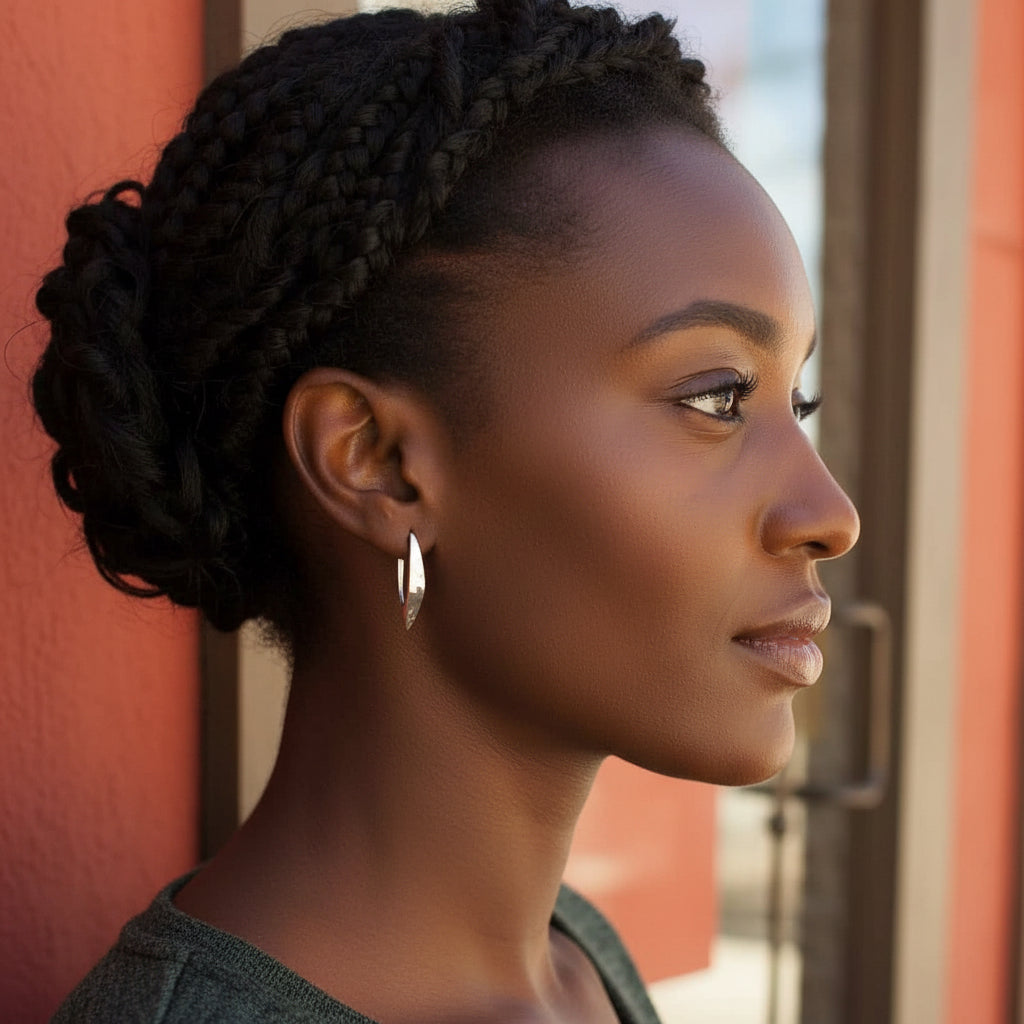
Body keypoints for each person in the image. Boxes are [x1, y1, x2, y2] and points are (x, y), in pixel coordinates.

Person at [33, 0, 859, 1020]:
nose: (829, 513)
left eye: (797, 401)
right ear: (374, 461)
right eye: (715, 398)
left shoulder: (577, 961)